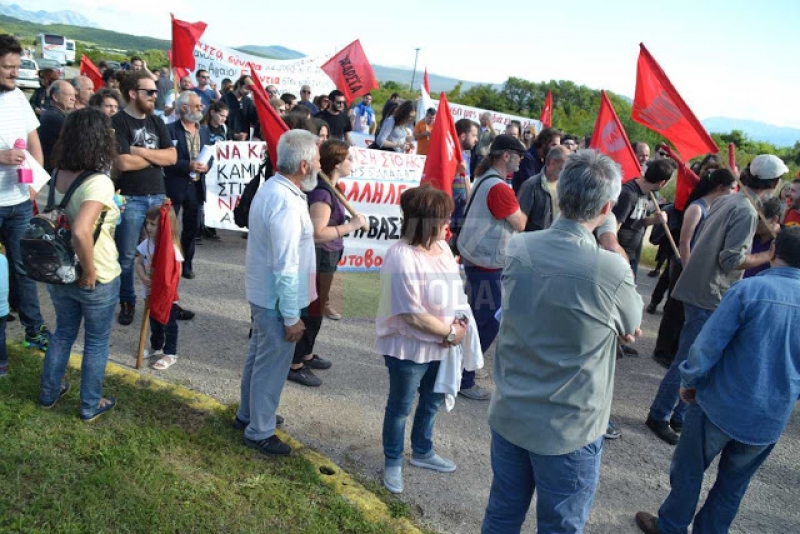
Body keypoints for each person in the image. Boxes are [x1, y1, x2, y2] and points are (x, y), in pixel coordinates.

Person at [482, 149, 642, 534]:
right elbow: (632, 323)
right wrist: (611, 240)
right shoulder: (611, 268)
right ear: (607, 206)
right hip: (569, 428)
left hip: (512, 410)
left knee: (502, 514)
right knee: (560, 526)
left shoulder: (520, 247)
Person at [635, 226, 800, 534]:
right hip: (769, 417)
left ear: (774, 250)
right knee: (733, 486)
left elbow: (708, 345)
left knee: (689, 471)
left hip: (720, 405)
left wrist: (689, 380)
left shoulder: (749, 290)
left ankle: (670, 526)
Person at [645, 155, 786, 446]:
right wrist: (768, 256)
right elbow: (731, 259)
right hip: (710, 292)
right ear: (773, 183)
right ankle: (659, 415)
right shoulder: (746, 209)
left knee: (697, 357)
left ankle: (678, 415)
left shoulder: (730, 199)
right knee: (689, 359)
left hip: (698, 286)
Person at [376, 184, 468, 494]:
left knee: (432, 400)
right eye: (444, 219)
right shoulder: (400, 258)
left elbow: (456, 290)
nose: (449, 226)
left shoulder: (441, 247)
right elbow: (412, 315)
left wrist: (460, 319)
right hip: (408, 348)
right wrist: (451, 333)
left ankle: (423, 450)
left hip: (441, 345)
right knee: (400, 407)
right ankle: (392, 461)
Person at [234, 130, 320, 457]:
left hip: (265, 295)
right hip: (275, 301)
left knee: (258, 359)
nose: (318, 165)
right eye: (315, 160)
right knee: (270, 367)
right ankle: (260, 431)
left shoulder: (274, 188)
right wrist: (292, 317)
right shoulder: (285, 200)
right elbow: (285, 265)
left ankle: (250, 415)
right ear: (302, 165)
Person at [38, 108, 121, 421]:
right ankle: (90, 405)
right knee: (97, 343)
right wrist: (89, 271)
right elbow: (81, 230)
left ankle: (49, 392)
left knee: (63, 333)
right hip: (94, 272)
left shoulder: (58, 171)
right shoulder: (98, 182)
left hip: (59, 270)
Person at [288, 140, 367, 387]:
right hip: (319, 255)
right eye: (349, 159)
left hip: (329, 255)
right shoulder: (322, 193)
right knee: (311, 310)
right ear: (336, 163)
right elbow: (317, 232)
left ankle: (307, 353)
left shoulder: (334, 188)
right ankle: (295, 363)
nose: (353, 164)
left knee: (317, 309)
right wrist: (351, 226)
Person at [456, 135, 528, 400]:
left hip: (479, 259)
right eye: (520, 155)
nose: (522, 160)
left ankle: (459, 370)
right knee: (486, 323)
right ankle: (464, 376)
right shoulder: (499, 188)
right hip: (487, 263)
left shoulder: (486, 178)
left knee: (475, 319)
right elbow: (520, 223)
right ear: (506, 155)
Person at [112, 70, 177, 326]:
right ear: (132, 94)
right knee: (127, 255)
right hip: (131, 197)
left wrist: (138, 150)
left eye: (154, 92)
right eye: (149, 92)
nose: (154, 96)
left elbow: (171, 157)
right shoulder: (118, 122)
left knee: (162, 251)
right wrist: (154, 155)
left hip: (158, 193)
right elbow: (122, 162)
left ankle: (164, 298)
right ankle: (127, 301)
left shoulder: (157, 121)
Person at [0, 34, 50, 351]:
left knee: (24, 269)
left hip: (19, 202)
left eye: (17, 67)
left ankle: (34, 329)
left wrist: (34, 186)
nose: (14, 73)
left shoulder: (18, 96)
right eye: (7, 67)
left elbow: (34, 143)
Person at [165, 91, 212, 280]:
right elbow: (166, 159)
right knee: (170, 229)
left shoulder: (204, 130)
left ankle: (187, 264)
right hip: (175, 185)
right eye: (197, 105)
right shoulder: (169, 130)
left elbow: (211, 155)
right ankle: (169, 264)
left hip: (196, 186)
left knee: (191, 229)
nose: (201, 108)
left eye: (201, 105)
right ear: (184, 108)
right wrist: (188, 165)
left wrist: (207, 166)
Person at [135, 206, 184, 370]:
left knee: (168, 324)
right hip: (149, 292)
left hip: (166, 295)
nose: (148, 227)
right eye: (147, 223)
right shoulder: (147, 244)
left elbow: (177, 271)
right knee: (154, 322)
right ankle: (156, 346)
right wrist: (143, 277)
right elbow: (138, 262)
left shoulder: (171, 247)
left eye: (153, 224)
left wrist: (163, 287)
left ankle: (170, 353)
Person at [612, 159, 676, 277]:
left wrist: (655, 220)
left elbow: (638, 221)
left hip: (632, 252)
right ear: (662, 183)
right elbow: (613, 228)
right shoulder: (629, 194)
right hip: (618, 255)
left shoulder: (646, 193)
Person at [517, 145, 570, 232]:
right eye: (564, 168)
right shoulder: (531, 186)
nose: (567, 172)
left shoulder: (567, 185)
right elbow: (520, 222)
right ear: (552, 163)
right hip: (535, 242)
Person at [39, 80, 76, 173]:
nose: (73, 98)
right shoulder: (54, 117)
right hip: (53, 170)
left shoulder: (55, 113)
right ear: (55, 97)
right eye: (69, 95)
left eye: (74, 95)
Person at [512, 127, 561, 194]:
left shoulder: (543, 159)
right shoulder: (527, 159)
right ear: (544, 143)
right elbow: (533, 186)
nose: (557, 149)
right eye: (554, 145)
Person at [743, 196, 782, 278]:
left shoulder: (784, 245)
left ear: (774, 219)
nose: (752, 220)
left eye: (758, 218)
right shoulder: (746, 233)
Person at [220, 75, 258, 141]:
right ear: (239, 85)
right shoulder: (225, 99)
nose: (248, 92)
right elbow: (220, 122)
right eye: (246, 88)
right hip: (228, 140)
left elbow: (254, 121)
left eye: (250, 90)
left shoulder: (248, 101)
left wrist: (255, 104)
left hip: (243, 141)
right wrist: (233, 135)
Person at [472, 112, 497, 177]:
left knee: (478, 175)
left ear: (487, 121)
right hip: (474, 154)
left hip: (483, 157)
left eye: (482, 118)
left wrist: (491, 126)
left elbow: (496, 139)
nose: (480, 120)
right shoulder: (477, 128)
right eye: (481, 118)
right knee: (471, 173)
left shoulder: (492, 131)